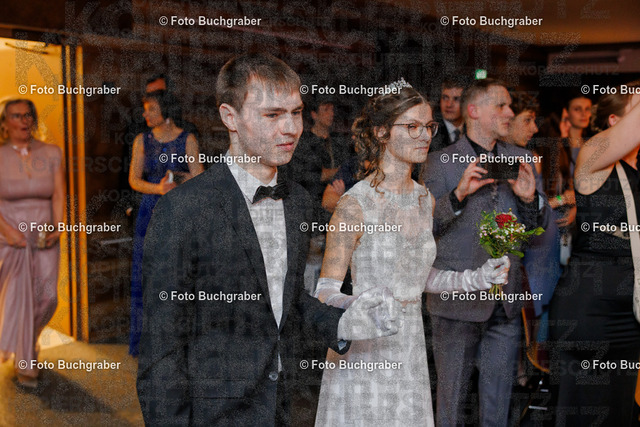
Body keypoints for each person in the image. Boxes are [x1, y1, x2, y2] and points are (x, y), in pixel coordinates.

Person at [136, 52, 402, 426]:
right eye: (273, 115)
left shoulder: (298, 202)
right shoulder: (184, 209)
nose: (291, 128)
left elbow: (283, 299)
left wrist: (344, 323)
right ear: (230, 117)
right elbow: (161, 350)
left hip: (279, 407)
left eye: (296, 112)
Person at [313, 79, 510, 426]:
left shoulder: (424, 199)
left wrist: (475, 279)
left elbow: (416, 277)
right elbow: (325, 292)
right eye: (412, 127)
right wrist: (360, 306)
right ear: (382, 132)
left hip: (410, 347)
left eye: (428, 126)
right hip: (366, 348)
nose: (424, 136)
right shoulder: (355, 204)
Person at [423, 78, 551, 426]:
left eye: (510, 106)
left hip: (505, 302)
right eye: (501, 105)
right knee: (451, 402)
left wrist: (530, 200)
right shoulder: (439, 162)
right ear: (474, 111)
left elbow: (538, 227)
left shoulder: (522, 159)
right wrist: (458, 196)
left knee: (498, 405)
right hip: (455, 301)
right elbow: (422, 230)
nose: (510, 113)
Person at [549, 82, 640, 426]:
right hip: (592, 313)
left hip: (630, 314)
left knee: (620, 413)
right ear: (615, 122)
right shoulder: (592, 154)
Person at [127, 90, 204, 357]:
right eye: (145, 109)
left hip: (180, 213)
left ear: (166, 109)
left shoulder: (187, 139)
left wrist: (177, 181)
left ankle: (176, 342)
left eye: (151, 108)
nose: (145, 114)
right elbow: (134, 180)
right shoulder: (142, 140)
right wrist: (158, 189)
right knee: (148, 276)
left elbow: (200, 178)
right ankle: (147, 343)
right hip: (150, 213)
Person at [0, 98, 65, 388]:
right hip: (9, 237)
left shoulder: (52, 152)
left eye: (28, 115)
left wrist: (58, 226)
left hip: (43, 235)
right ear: (4, 123)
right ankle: (26, 359)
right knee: (18, 299)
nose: (24, 121)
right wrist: (7, 231)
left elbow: (59, 194)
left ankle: (28, 339)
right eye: (16, 116)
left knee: (47, 298)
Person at [429, 79, 465, 153]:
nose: (449, 104)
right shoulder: (431, 131)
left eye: (456, 99)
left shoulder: (473, 129)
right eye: (445, 98)